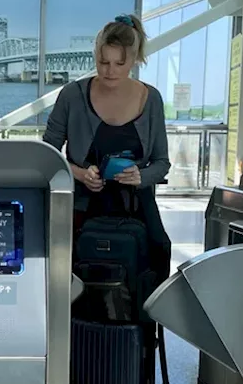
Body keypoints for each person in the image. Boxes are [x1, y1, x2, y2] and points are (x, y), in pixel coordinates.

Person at [42, 14, 170, 260]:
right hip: (80, 208)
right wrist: (80, 174)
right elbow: (47, 155)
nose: (110, 71)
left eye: (119, 64)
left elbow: (162, 163)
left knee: (159, 252)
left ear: (134, 60)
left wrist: (139, 176)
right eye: (103, 62)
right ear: (95, 57)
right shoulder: (72, 96)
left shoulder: (151, 99)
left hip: (136, 210)